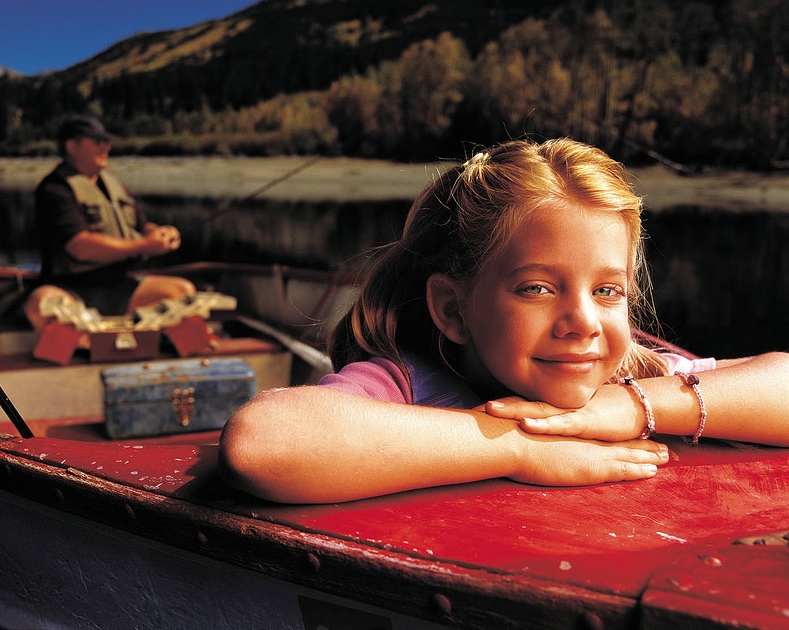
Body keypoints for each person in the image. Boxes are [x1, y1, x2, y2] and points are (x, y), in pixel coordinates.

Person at [219, 137, 789, 504]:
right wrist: (520, 444)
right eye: (537, 288)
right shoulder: (406, 381)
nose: (583, 321)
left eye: (607, 290)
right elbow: (263, 444)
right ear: (453, 309)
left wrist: (628, 406)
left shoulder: (630, 374)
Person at [25, 115, 195, 332]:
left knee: (183, 291)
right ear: (72, 147)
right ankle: (76, 353)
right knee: (42, 305)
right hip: (70, 289)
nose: (105, 147)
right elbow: (81, 247)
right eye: (97, 142)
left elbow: (143, 226)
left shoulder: (114, 186)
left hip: (119, 287)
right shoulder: (54, 190)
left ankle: (138, 345)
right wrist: (144, 246)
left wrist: (160, 234)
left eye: (106, 141)